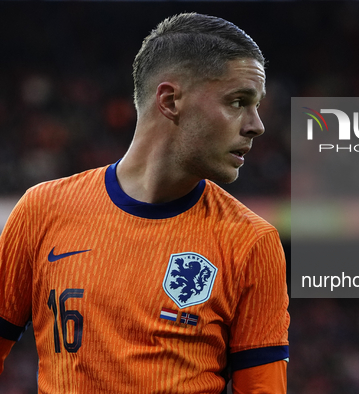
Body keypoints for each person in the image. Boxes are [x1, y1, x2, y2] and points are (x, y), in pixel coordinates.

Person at [0, 12, 289, 393]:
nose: (256, 124)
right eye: (238, 102)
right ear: (170, 100)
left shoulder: (252, 242)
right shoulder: (42, 211)